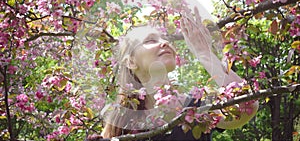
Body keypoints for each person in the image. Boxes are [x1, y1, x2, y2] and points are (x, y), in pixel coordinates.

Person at [100, 7, 259, 140]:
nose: (165, 43)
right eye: (150, 40)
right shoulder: (120, 122)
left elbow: (247, 106)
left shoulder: (194, 106)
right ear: (131, 62)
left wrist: (204, 53)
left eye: (165, 38)